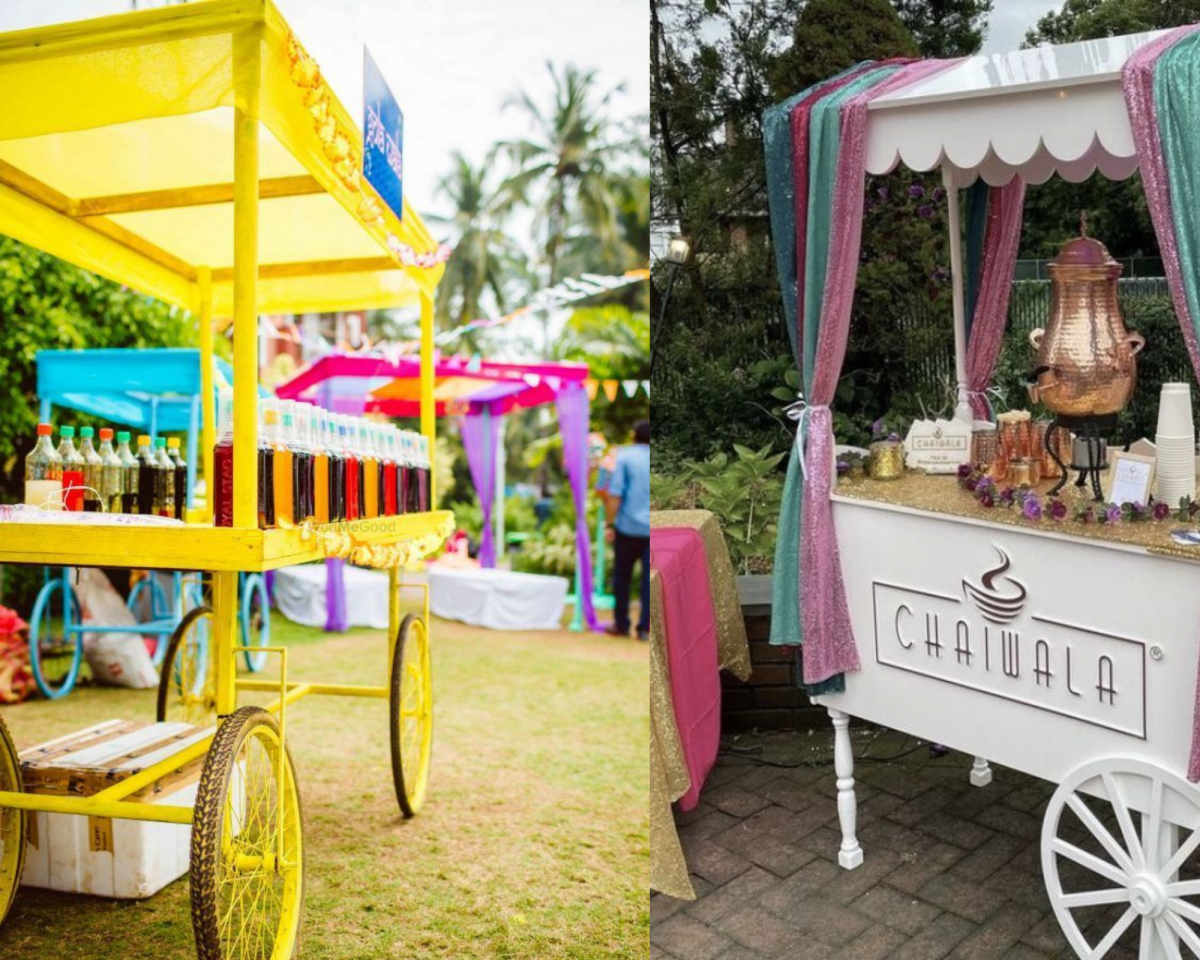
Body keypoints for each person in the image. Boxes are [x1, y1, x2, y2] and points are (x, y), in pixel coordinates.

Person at [603, 420, 650, 640]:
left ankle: (621, 624)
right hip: (651, 529)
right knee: (648, 580)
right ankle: (644, 628)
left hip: (628, 526)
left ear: (634, 436)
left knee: (622, 577)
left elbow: (615, 494)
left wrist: (610, 523)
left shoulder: (626, 457)